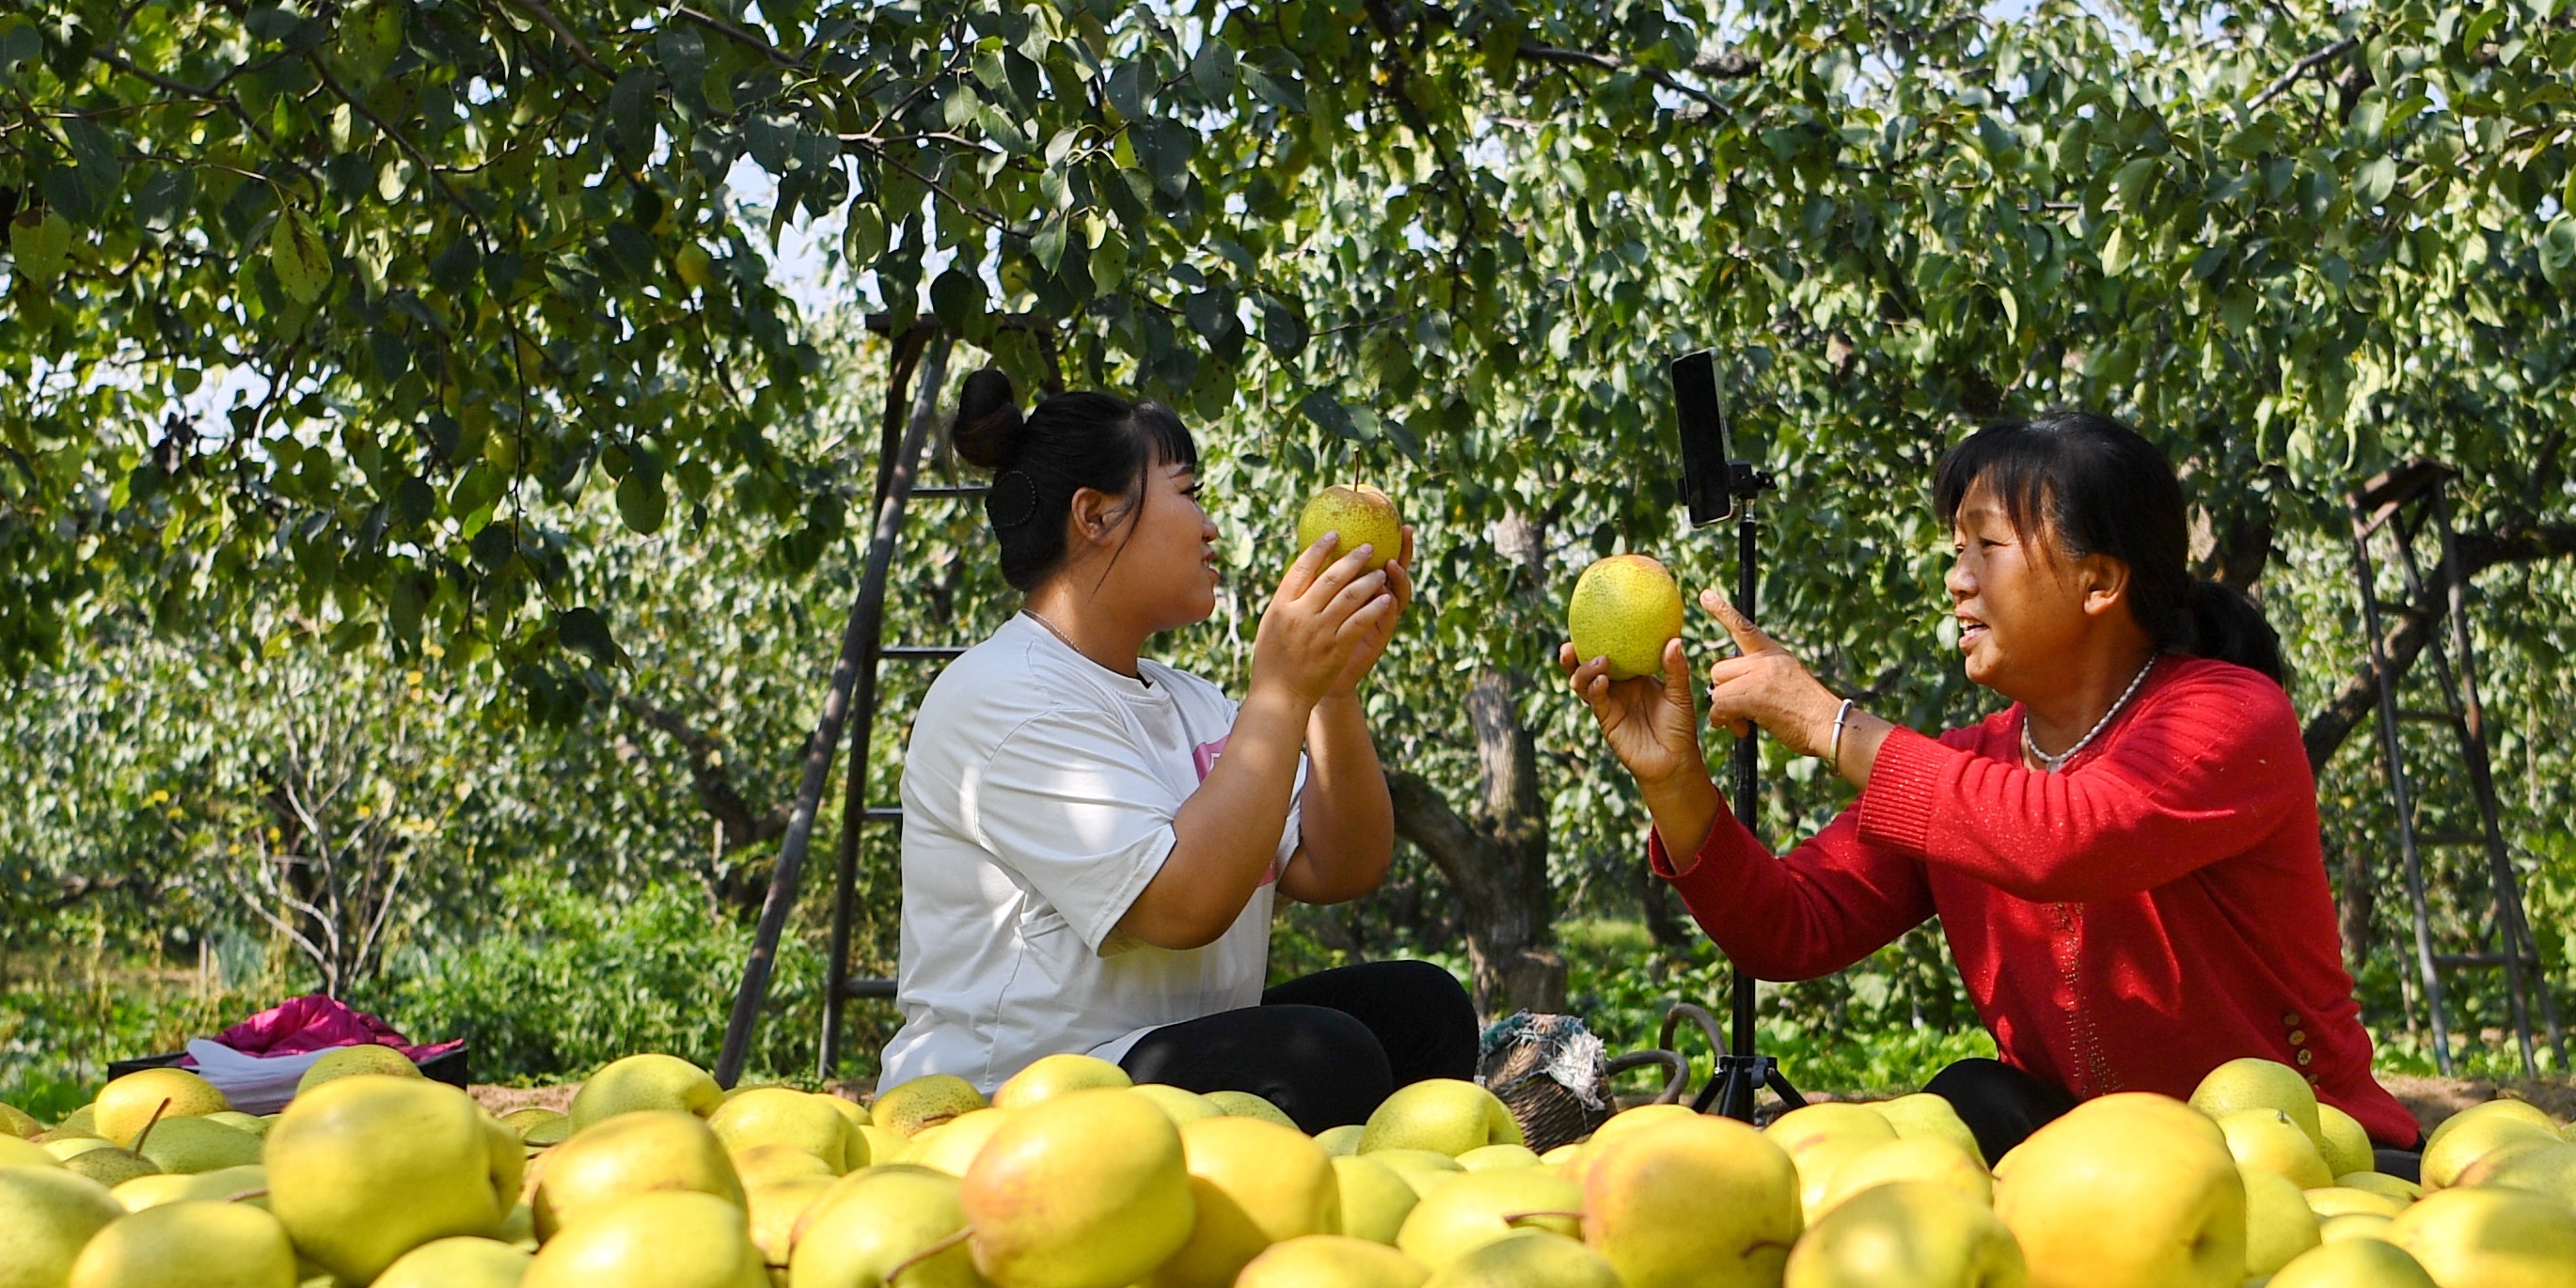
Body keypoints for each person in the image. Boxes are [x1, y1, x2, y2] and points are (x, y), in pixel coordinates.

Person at [1556, 409, 2419, 1167]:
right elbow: (1790, 928)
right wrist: (1674, 783)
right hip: (2106, 1175)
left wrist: (1831, 723)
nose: (1957, 578)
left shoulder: (2230, 717)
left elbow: (2069, 835)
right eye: (1954, 548)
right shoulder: (1972, 772)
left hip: (2305, 1159)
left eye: (1987, 548)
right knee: (1973, 1099)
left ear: (2100, 582)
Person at [878, 369, 1483, 1131]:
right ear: (1095, 515)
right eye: (1189, 492)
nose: (1209, 528)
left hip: (1149, 1062)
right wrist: (1282, 693)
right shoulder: (1003, 697)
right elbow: (1180, 908)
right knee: (1325, 1057)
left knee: (1422, 1008)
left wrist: (1332, 691)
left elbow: (1342, 865)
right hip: (1015, 1099)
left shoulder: (1187, 701)